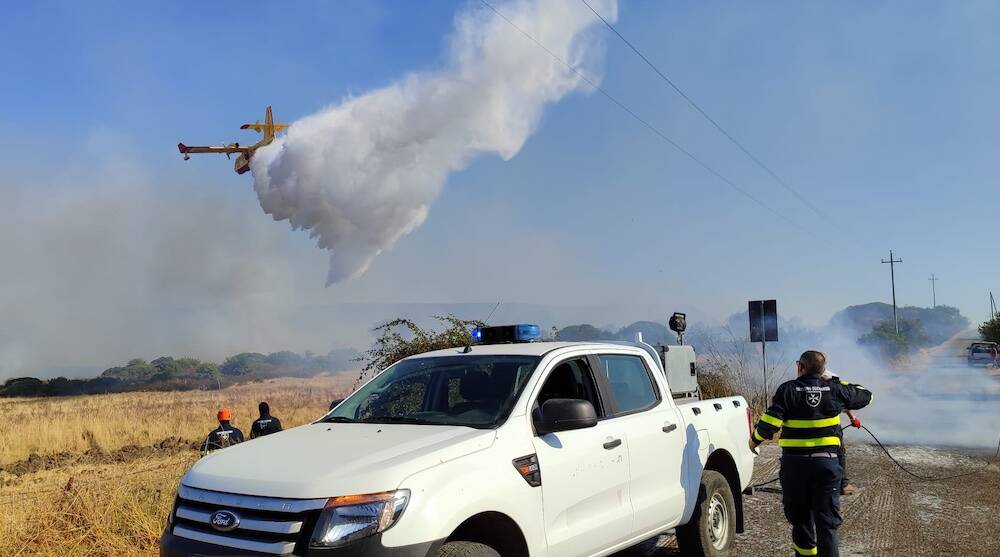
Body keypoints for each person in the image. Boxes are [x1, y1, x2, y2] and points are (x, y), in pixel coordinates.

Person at [750, 351, 872, 557]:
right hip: (827, 466)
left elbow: (769, 424)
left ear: (801, 367)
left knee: (801, 521)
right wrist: (834, 380)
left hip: (795, 466)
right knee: (827, 525)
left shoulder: (787, 389)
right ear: (823, 370)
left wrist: (754, 441)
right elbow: (866, 395)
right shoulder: (834, 389)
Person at [821, 370, 863, 496]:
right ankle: (843, 485)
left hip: (804, 428)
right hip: (831, 428)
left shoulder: (799, 382)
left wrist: (852, 418)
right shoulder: (830, 377)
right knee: (839, 453)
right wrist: (852, 418)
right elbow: (844, 397)